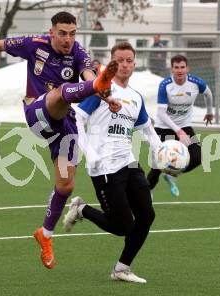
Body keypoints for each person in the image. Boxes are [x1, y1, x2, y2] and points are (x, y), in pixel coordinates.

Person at [0, 11, 120, 269]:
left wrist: (105, 95)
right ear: (51, 32)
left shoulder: (79, 53)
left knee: (65, 185)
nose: (68, 39)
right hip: (38, 113)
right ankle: (98, 85)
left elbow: (86, 74)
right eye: (62, 33)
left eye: (72, 33)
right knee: (60, 93)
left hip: (64, 127)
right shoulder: (34, 44)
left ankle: (45, 234)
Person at [64, 42, 163, 283]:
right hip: (104, 167)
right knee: (123, 226)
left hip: (128, 162)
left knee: (147, 216)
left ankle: (121, 269)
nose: (125, 65)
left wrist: (162, 149)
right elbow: (77, 117)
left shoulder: (136, 97)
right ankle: (81, 209)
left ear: (134, 64)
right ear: (111, 63)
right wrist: (88, 150)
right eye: (120, 60)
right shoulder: (101, 89)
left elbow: (146, 128)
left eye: (129, 60)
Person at [147, 54, 214, 197]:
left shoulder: (196, 82)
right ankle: (148, 191)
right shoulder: (165, 85)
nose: (179, 70)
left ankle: (172, 175)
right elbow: (162, 113)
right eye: (176, 67)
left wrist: (209, 112)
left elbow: (208, 94)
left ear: (187, 68)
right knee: (158, 164)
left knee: (197, 157)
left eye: (182, 67)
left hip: (185, 127)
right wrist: (178, 131)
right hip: (163, 127)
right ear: (171, 69)